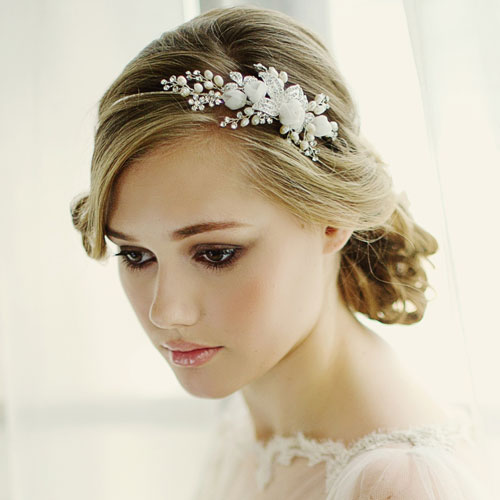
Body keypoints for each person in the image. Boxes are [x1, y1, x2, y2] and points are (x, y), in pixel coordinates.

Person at [69, 5, 494, 499]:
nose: (165, 312)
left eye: (216, 254)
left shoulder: (398, 484)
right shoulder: (250, 424)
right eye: (136, 256)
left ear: (331, 218)